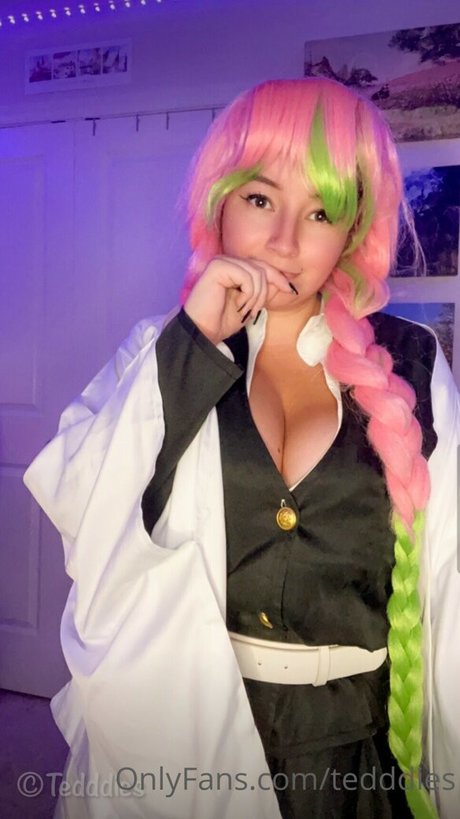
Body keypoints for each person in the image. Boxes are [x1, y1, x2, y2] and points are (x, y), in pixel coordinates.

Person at [24, 78, 459, 819]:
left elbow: (449, 579)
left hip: (354, 764)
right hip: (185, 749)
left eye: (320, 212)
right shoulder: (162, 350)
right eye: (260, 199)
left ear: (353, 231)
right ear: (219, 203)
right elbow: (86, 510)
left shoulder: (412, 361)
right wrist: (191, 342)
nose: (285, 240)